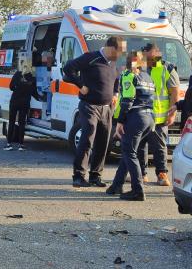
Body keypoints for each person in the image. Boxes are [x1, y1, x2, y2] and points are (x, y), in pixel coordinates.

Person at [63, 36, 126, 188]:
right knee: (87, 137)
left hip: (106, 108)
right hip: (89, 106)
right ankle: (78, 176)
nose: (121, 55)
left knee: (103, 142)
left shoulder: (113, 62)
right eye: (120, 51)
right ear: (111, 48)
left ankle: (95, 176)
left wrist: (115, 94)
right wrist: (80, 85)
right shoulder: (90, 58)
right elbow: (68, 68)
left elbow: (116, 78)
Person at [106, 51, 155, 201]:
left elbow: (127, 100)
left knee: (129, 152)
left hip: (136, 117)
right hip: (149, 118)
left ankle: (137, 190)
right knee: (129, 151)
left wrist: (120, 121)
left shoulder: (129, 75)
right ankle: (116, 185)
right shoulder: (147, 77)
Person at [137, 43, 180, 186]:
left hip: (159, 117)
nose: (145, 58)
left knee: (159, 147)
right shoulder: (138, 66)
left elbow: (174, 91)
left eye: (148, 54)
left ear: (156, 53)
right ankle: (141, 174)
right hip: (141, 114)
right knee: (140, 145)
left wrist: (172, 113)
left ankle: (162, 174)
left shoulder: (167, 68)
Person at [4, 70, 39, 151]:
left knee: (12, 122)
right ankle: (21, 145)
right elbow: (34, 92)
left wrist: (18, 88)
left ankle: (9, 144)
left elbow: (11, 87)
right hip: (25, 102)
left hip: (15, 101)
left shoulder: (17, 74)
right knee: (22, 123)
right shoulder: (32, 77)